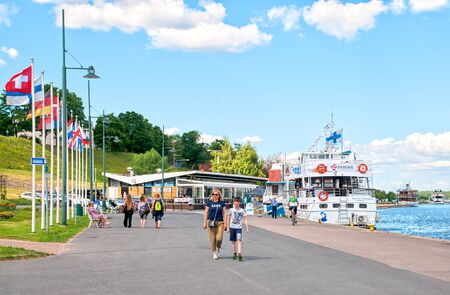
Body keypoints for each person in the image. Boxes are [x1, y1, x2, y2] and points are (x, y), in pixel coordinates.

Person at [203, 189, 227, 260]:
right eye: (213, 194)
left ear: (219, 195)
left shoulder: (222, 203)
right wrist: (204, 222)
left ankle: (218, 248)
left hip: (220, 222)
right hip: (211, 222)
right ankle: (214, 252)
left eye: (216, 194)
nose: (214, 196)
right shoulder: (209, 203)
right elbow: (206, 213)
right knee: (213, 239)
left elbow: (224, 213)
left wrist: (225, 223)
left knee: (219, 238)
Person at [227, 197, 249, 261]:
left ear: (239, 202)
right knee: (233, 241)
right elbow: (228, 218)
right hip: (232, 227)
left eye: (237, 202)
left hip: (239, 228)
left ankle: (239, 254)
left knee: (239, 241)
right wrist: (227, 227)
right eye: (234, 202)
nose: (235, 203)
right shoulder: (231, 210)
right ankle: (234, 253)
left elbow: (245, 220)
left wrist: (247, 227)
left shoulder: (242, 210)